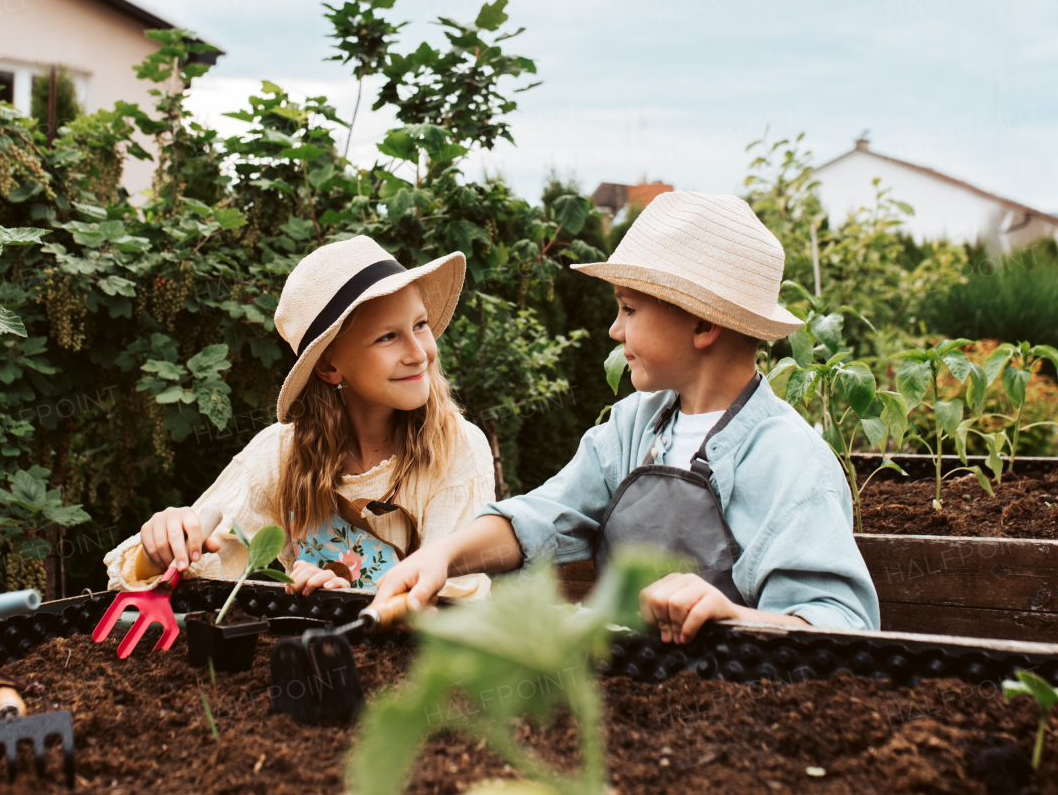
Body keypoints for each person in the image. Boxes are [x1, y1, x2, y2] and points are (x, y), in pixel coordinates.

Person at [373, 191, 881, 642]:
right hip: (625, 697)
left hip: (737, 715)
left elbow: (843, 627)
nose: (615, 330)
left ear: (703, 323)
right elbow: (542, 517)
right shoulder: (633, 426)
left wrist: (729, 615)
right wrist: (440, 557)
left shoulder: (790, 461)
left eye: (629, 310)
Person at [103, 236, 493, 598]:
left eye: (420, 325)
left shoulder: (455, 448)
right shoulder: (282, 454)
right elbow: (202, 565)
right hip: (312, 667)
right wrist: (161, 548)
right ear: (328, 366)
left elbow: (453, 601)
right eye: (387, 337)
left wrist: (345, 605)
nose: (419, 352)